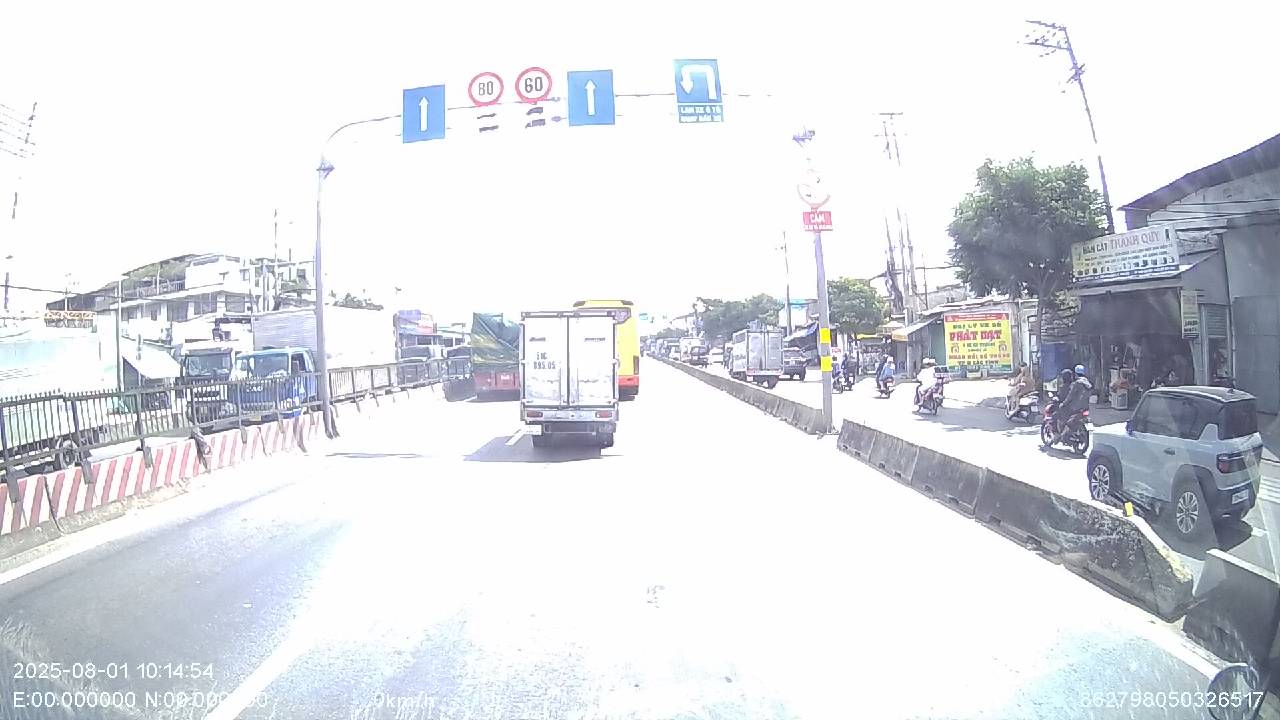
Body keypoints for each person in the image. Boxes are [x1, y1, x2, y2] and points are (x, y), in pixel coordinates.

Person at [1046, 367, 1091, 446]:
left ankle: (1059, 435)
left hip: (1074, 408)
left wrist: (1063, 404)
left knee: (1055, 415)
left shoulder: (1075, 384)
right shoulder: (1087, 383)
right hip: (1085, 407)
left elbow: (1070, 396)